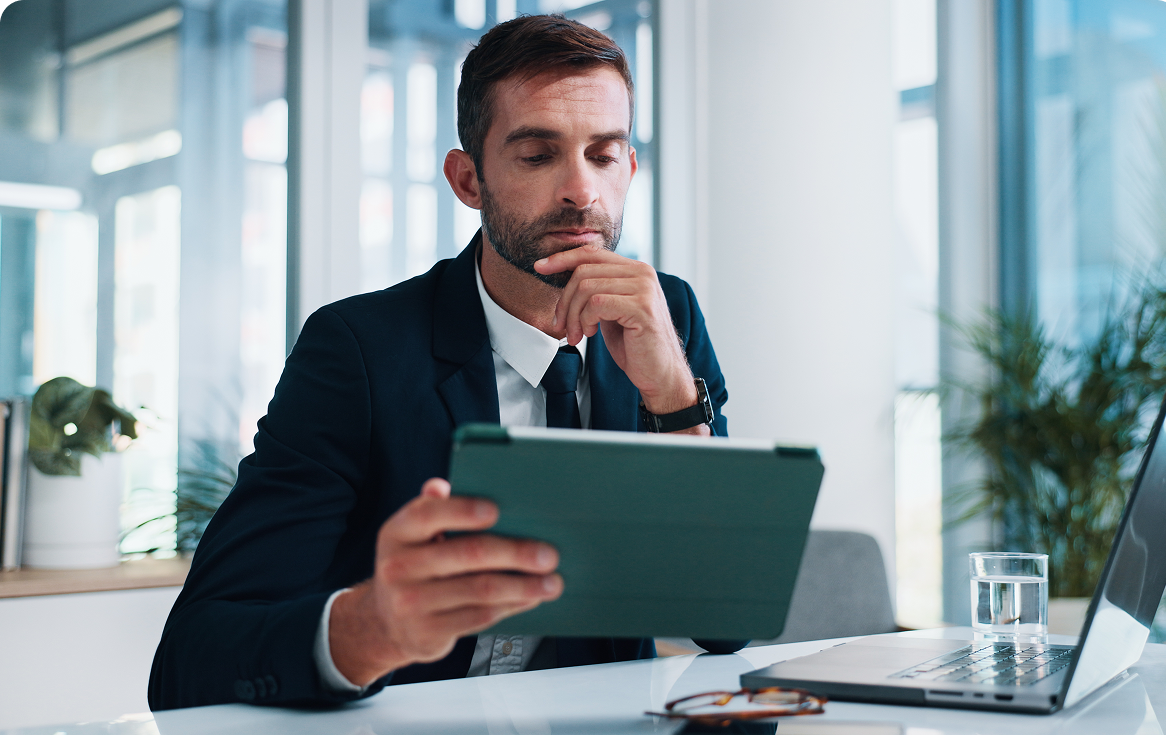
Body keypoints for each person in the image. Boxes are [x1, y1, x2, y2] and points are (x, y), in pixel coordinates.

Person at [148, 14, 736, 710]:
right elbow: (191, 657)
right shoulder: (358, 350)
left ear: (630, 168)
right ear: (468, 179)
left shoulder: (667, 317)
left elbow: (726, 623)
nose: (582, 191)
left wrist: (673, 395)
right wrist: (374, 628)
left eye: (603, 154)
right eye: (538, 154)